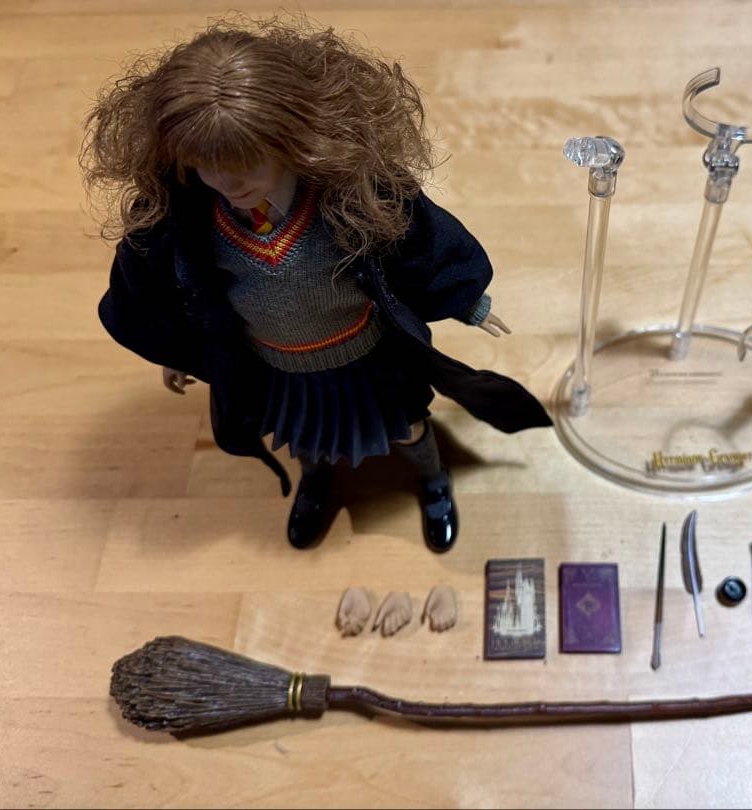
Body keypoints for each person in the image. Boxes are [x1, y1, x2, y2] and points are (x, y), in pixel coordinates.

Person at [80, 16, 552, 552]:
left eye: (248, 162)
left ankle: (433, 479)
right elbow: (164, 292)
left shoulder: (353, 194)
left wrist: (464, 297)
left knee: (407, 426)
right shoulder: (182, 222)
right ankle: (317, 482)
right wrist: (177, 349)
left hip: (367, 353)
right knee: (306, 439)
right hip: (278, 364)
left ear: (291, 135)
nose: (228, 182)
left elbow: (419, 241)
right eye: (205, 165)